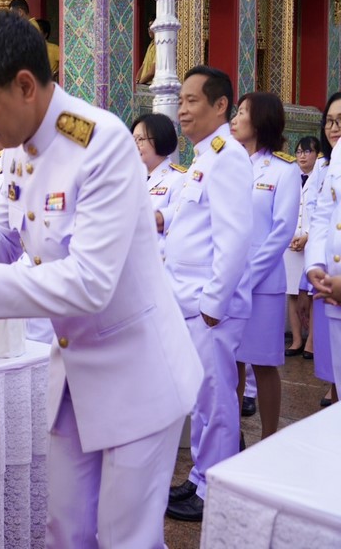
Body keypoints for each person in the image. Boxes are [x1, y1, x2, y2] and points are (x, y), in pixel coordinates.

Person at [0, 10, 203, 548]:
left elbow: (90, 282)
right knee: (66, 530)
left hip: (136, 374)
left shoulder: (100, 143)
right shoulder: (20, 150)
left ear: (25, 86)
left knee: (126, 537)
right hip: (75, 376)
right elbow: (8, 235)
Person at [161, 66, 254, 522]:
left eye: (193, 100)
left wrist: (214, 306)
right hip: (189, 301)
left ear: (220, 106)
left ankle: (211, 486)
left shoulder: (229, 156)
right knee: (201, 396)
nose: (182, 108)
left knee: (215, 398)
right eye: (180, 99)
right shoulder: (203, 157)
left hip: (209, 307)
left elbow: (235, 238)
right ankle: (201, 475)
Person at [230, 92, 300, 440]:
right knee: (233, 361)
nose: (235, 117)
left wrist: (246, 275)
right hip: (229, 279)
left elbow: (281, 231)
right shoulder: (231, 163)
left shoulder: (284, 170)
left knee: (263, 362)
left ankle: (269, 439)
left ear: (260, 120)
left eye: (242, 112)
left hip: (262, 284)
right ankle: (232, 436)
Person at [305, 91, 341, 400]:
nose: (334, 128)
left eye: (340, 121)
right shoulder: (330, 161)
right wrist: (315, 264)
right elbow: (321, 213)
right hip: (331, 278)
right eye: (330, 121)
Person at [284, 136, 321, 356]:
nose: (302, 156)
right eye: (298, 152)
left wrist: (307, 236)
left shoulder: (322, 178)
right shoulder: (291, 177)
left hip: (311, 242)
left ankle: (311, 343)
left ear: (317, 155)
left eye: (307, 152)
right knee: (292, 293)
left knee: (312, 292)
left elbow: (322, 214)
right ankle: (296, 340)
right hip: (291, 242)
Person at [131, 112, 185, 253]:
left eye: (140, 139)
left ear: (160, 139)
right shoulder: (133, 180)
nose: (135, 145)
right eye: (133, 140)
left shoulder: (178, 179)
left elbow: (177, 228)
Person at [136, 20, 156, 85]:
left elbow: (153, 71)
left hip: (151, 84)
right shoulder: (151, 45)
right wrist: (137, 80)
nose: (149, 29)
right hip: (143, 83)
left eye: (151, 26)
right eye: (148, 27)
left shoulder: (160, 46)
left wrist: (141, 82)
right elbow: (143, 66)